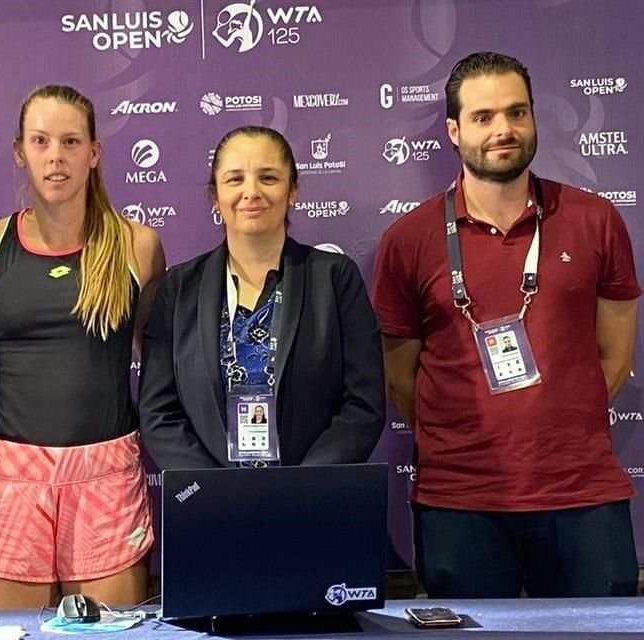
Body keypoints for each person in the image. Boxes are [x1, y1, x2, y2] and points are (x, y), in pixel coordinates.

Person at [372, 51, 640, 598]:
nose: (504, 130)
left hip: (581, 494)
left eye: (517, 113)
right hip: (459, 501)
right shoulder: (410, 238)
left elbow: (614, 357)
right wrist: (465, 440)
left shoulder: (597, 220)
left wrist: (559, 427)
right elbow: (400, 378)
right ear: (453, 130)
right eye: (484, 117)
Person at [0, 85, 165, 609]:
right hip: (10, 477)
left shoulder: (137, 247)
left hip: (106, 474)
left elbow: (163, 376)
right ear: (19, 151)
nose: (56, 156)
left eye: (71, 141)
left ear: (94, 153)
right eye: (40, 141)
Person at [139, 126, 384, 470]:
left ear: (292, 190)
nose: (251, 192)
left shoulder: (334, 279)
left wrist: (300, 488)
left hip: (313, 502)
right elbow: (158, 412)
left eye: (268, 178)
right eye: (235, 179)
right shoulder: (179, 288)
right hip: (212, 507)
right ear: (215, 195)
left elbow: (363, 403)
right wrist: (215, 490)